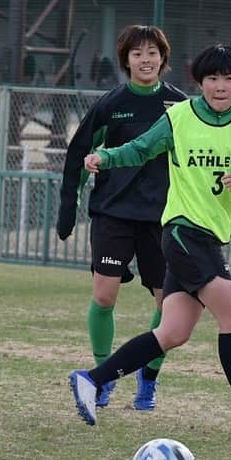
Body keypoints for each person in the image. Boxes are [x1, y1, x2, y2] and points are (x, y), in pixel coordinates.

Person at [69, 44, 231, 435]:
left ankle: (90, 379)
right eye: (212, 78)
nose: (220, 86)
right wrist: (105, 158)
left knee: (173, 333)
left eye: (229, 78)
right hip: (182, 232)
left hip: (210, 239)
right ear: (200, 82)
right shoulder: (178, 117)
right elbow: (141, 149)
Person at [57, 25, 187, 411]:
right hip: (113, 212)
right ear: (125, 60)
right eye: (137, 53)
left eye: (152, 52)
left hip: (161, 218)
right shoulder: (109, 104)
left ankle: (147, 382)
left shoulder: (181, 107)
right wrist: (68, 208)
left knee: (169, 304)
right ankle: (103, 379)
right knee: (104, 295)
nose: (145, 60)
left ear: (163, 58)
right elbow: (78, 154)